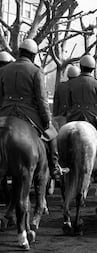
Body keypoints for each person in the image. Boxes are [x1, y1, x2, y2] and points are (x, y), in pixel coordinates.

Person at [0, 39, 68, 178]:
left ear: (19, 52)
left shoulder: (3, 70)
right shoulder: (36, 71)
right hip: (27, 113)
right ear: (33, 56)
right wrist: (47, 119)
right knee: (52, 134)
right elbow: (42, 100)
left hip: (5, 111)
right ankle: (54, 166)